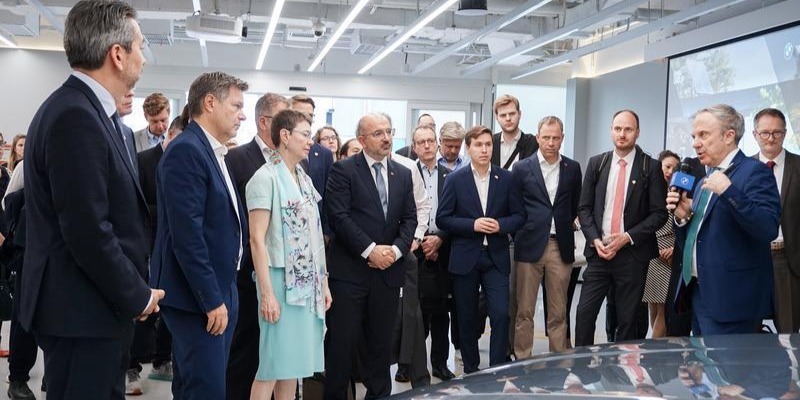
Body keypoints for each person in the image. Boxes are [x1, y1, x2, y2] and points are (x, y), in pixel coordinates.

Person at [20, 1, 164, 398]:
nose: (142, 58)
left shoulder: (93, 113)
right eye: (139, 47)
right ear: (117, 54)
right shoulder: (75, 116)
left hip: (93, 309)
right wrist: (137, 295)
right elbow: (87, 231)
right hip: (80, 313)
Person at [150, 71, 248, 398]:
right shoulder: (187, 151)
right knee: (206, 389)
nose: (242, 115)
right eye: (236, 106)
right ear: (209, 103)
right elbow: (187, 236)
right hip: (198, 296)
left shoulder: (212, 150)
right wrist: (211, 299)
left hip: (220, 287)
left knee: (198, 385)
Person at [323, 112, 417, 399]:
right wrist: (370, 250)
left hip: (387, 273)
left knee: (381, 346)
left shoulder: (402, 174)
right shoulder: (343, 170)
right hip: (350, 275)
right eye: (378, 133)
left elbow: (409, 219)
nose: (386, 138)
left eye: (389, 131)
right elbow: (339, 217)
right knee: (341, 345)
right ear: (362, 140)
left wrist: (396, 251)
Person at [667, 104, 780, 335]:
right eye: (694, 136)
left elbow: (767, 228)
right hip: (699, 295)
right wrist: (684, 218)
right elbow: (698, 240)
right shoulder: (704, 180)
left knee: (729, 361)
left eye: (703, 135)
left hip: (733, 302)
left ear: (729, 136)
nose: (695, 143)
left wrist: (729, 192)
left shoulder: (755, 172)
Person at [247, 108, 331, 400]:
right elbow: (256, 240)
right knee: (272, 365)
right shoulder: (264, 178)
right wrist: (267, 294)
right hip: (278, 281)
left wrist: (323, 282)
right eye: (305, 135)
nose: (310, 141)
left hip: (306, 283)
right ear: (285, 135)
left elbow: (315, 235)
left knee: (292, 366)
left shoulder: (303, 178)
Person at [575, 109, 667, 346]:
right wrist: (595, 239)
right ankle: (581, 365)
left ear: (637, 132)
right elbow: (584, 208)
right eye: (617, 129)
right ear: (611, 131)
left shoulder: (650, 167)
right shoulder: (597, 163)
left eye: (628, 129)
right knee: (584, 314)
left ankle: (622, 365)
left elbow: (659, 214)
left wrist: (627, 237)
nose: (622, 134)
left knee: (628, 321)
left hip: (632, 257)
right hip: (600, 252)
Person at [437, 125, 524, 374]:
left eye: (488, 144)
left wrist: (501, 225)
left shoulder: (506, 178)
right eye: (478, 145)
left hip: (496, 257)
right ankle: (472, 370)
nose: (484, 149)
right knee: (466, 317)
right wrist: (472, 225)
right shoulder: (455, 179)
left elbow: (519, 216)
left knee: (501, 314)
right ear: (469, 148)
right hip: (466, 257)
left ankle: (496, 369)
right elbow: (443, 218)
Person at [225, 92, 289, 400]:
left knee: (279, 357)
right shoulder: (236, 159)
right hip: (248, 272)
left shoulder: (292, 162)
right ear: (264, 122)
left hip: (284, 276)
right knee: (246, 351)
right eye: (283, 120)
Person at [512, 116, 582, 357]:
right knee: (524, 310)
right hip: (529, 245)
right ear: (538, 137)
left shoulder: (572, 168)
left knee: (558, 311)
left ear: (562, 138)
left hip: (560, 246)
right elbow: (515, 205)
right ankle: (523, 358)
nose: (551, 143)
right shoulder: (522, 168)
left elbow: (575, 204)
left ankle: (558, 361)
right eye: (546, 137)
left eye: (556, 138)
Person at [134, 115, 185, 386]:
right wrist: (169, 212)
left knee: (169, 303)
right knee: (144, 303)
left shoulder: (188, 162)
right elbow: (136, 205)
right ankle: (131, 366)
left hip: (175, 246)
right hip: (146, 244)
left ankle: (162, 358)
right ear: (171, 135)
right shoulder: (143, 160)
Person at [751, 108, 800, 334]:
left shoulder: (797, 166)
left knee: (788, 333)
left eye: (777, 133)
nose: (771, 138)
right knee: (747, 332)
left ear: (785, 133)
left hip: (787, 261)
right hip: (750, 260)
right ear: (755, 134)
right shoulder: (743, 168)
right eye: (765, 133)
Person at [412, 123, 455, 381]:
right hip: (414, 249)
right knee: (414, 312)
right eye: (421, 142)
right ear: (414, 147)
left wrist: (439, 239)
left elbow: (456, 212)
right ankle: (409, 364)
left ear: (437, 144)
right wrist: (421, 241)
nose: (427, 146)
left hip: (443, 247)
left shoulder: (451, 177)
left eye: (430, 141)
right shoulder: (406, 174)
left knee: (441, 310)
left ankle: (439, 363)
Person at [642, 150, 680, 339]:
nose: (670, 171)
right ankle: (659, 346)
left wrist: (675, 249)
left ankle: (653, 347)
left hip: (670, 256)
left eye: (675, 168)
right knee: (654, 306)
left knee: (664, 308)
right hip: (652, 253)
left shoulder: (679, 194)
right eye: (667, 166)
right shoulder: (649, 191)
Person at [491, 94, 537, 170]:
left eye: (512, 114)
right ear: (497, 118)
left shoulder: (533, 143)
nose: (508, 118)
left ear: (519, 114)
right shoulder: (490, 142)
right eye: (503, 115)